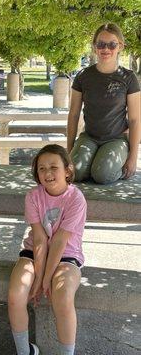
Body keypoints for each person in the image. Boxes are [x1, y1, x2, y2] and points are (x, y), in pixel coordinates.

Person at [8, 144, 86, 355]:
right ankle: (24, 351)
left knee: (62, 296)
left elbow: (59, 241)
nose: (47, 173)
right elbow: (40, 240)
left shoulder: (75, 198)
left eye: (53, 167)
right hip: (34, 253)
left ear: (67, 170)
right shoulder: (33, 196)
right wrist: (40, 276)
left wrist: (45, 280)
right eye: (41, 168)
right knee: (16, 294)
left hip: (67, 256)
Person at [67, 23, 141, 184]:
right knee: (75, 173)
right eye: (101, 44)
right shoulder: (83, 76)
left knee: (103, 175)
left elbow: (135, 120)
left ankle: (110, 162)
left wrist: (133, 156)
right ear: (94, 47)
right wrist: (69, 149)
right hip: (89, 137)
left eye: (112, 44)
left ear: (120, 46)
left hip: (116, 139)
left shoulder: (128, 78)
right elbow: (73, 114)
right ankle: (95, 162)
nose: (106, 49)